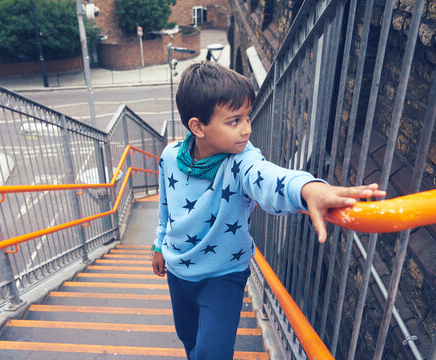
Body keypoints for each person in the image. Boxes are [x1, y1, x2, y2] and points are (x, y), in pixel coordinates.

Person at [151, 62, 385, 360]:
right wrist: (159, 244)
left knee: (213, 353)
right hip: (178, 271)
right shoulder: (170, 157)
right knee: (189, 339)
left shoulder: (241, 161)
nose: (247, 128)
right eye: (234, 121)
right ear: (198, 127)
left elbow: (268, 177)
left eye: (247, 117)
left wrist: (307, 189)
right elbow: (166, 206)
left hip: (224, 275)